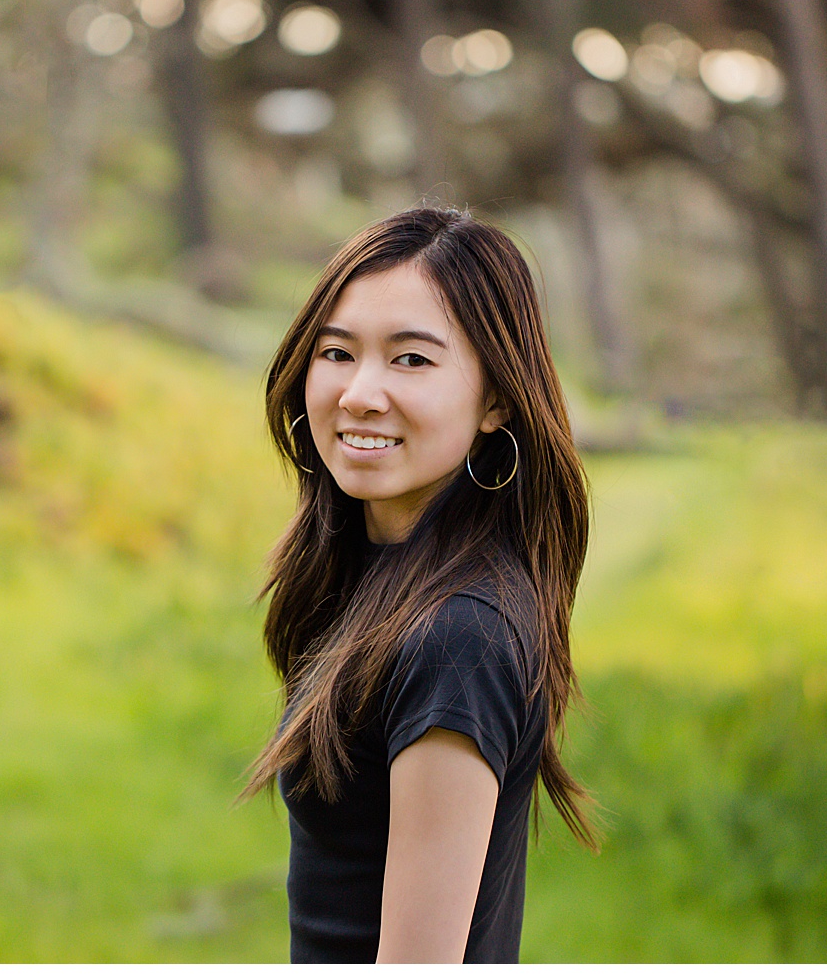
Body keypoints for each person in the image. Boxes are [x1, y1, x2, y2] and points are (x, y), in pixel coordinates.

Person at [241, 207, 600, 963]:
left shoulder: (455, 638)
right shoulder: (375, 578)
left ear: (496, 398)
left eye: (411, 360)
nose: (360, 393)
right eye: (336, 352)